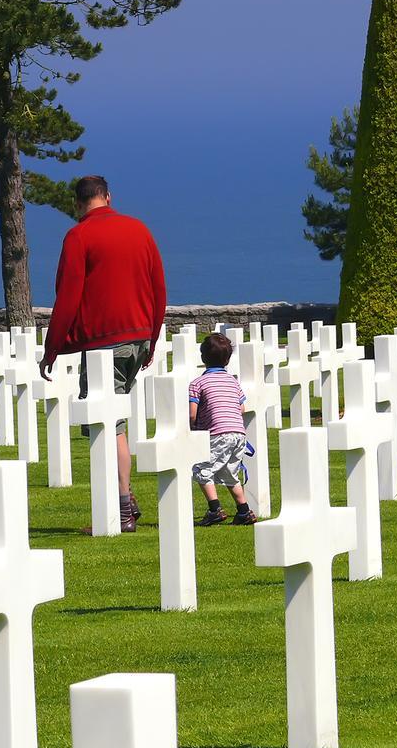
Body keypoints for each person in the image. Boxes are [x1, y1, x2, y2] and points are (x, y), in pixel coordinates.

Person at [38, 175, 167, 533]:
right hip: (138, 337)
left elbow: (68, 295)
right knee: (114, 421)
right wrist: (152, 339)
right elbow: (158, 286)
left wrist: (53, 349)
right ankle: (124, 498)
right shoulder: (139, 230)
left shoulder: (79, 236)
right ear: (108, 197)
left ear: (78, 204)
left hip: (103, 344)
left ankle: (121, 506)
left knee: (109, 425)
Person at [190, 332, 257, 527]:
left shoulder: (198, 383)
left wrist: (193, 427)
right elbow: (241, 407)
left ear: (202, 358)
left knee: (202, 469)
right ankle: (244, 511)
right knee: (230, 472)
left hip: (217, 432)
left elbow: (193, 413)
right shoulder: (233, 382)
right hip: (238, 433)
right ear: (227, 360)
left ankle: (214, 509)